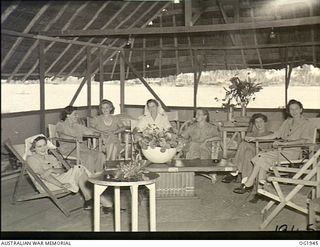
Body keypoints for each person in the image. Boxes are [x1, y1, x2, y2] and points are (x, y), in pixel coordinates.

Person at [233, 99, 314, 194]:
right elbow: (275, 135)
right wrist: (255, 139)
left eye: (296, 109)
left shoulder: (306, 123)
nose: (294, 111)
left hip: (293, 153)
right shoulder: (288, 121)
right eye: (291, 109)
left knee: (261, 156)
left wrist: (284, 144)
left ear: (301, 109)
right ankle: (261, 189)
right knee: (262, 157)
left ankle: (249, 183)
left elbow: (304, 140)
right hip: (280, 151)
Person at [26, 136, 113, 213]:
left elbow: (61, 170)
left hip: (59, 178)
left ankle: (90, 200)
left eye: (44, 145)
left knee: (79, 169)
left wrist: (51, 169)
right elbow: (45, 176)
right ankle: (98, 198)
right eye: (39, 146)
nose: (43, 148)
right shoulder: (32, 159)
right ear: (34, 148)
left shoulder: (50, 157)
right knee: (79, 169)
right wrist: (61, 184)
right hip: (48, 184)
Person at [222, 113, 272, 184]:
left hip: (261, 154)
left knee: (243, 144)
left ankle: (234, 171)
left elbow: (271, 149)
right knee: (247, 152)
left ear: (265, 122)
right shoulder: (251, 134)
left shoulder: (270, 134)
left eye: (260, 121)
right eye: (256, 122)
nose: (259, 124)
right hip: (251, 153)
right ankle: (245, 180)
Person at [56, 106, 105, 173]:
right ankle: (89, 178)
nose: (77, 116)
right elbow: (61, 135)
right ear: (68, 115)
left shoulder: (77, 125)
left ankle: (98, 175)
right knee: (88, 157)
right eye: (75, 114)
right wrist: (74, 138)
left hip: (81, 148)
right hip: (68, 150)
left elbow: (87, 131)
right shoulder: (61, 124)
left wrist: (96, 133)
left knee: (100, 155)